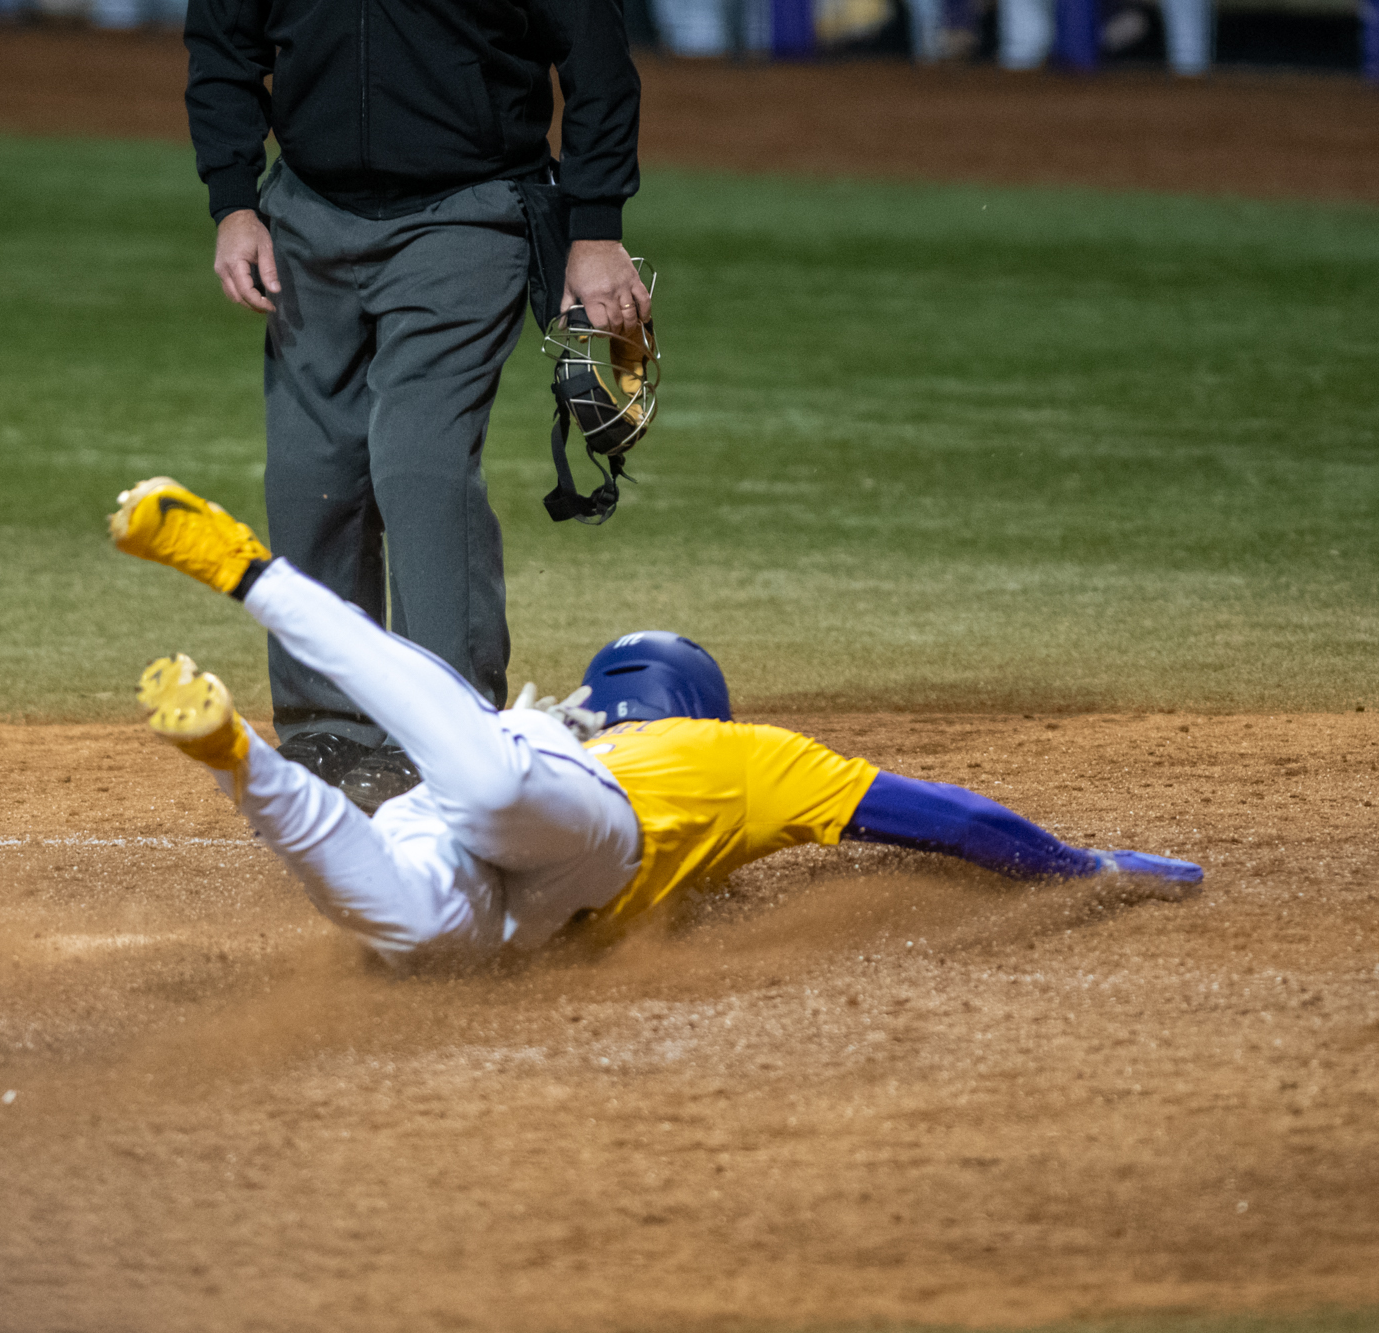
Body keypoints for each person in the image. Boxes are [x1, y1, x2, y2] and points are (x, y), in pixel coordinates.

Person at [110, 477, 1204, 969]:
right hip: (575, 836)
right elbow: (947, 819)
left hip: (497, 844)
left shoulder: (567, 717)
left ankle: (237, 742)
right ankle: (244, 635)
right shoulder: (740, 758)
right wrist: (1074, 865)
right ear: (698, 702)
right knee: (435, 870)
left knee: (409, 918)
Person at [183, 0, 649, 812]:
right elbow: (222, 45)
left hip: (468, 211)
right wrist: (234, 200)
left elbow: (597, 61)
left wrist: (597, 227)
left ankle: (447, 728)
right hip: (307, 215)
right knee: (310, 471)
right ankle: (327, 727)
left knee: (419, 459)